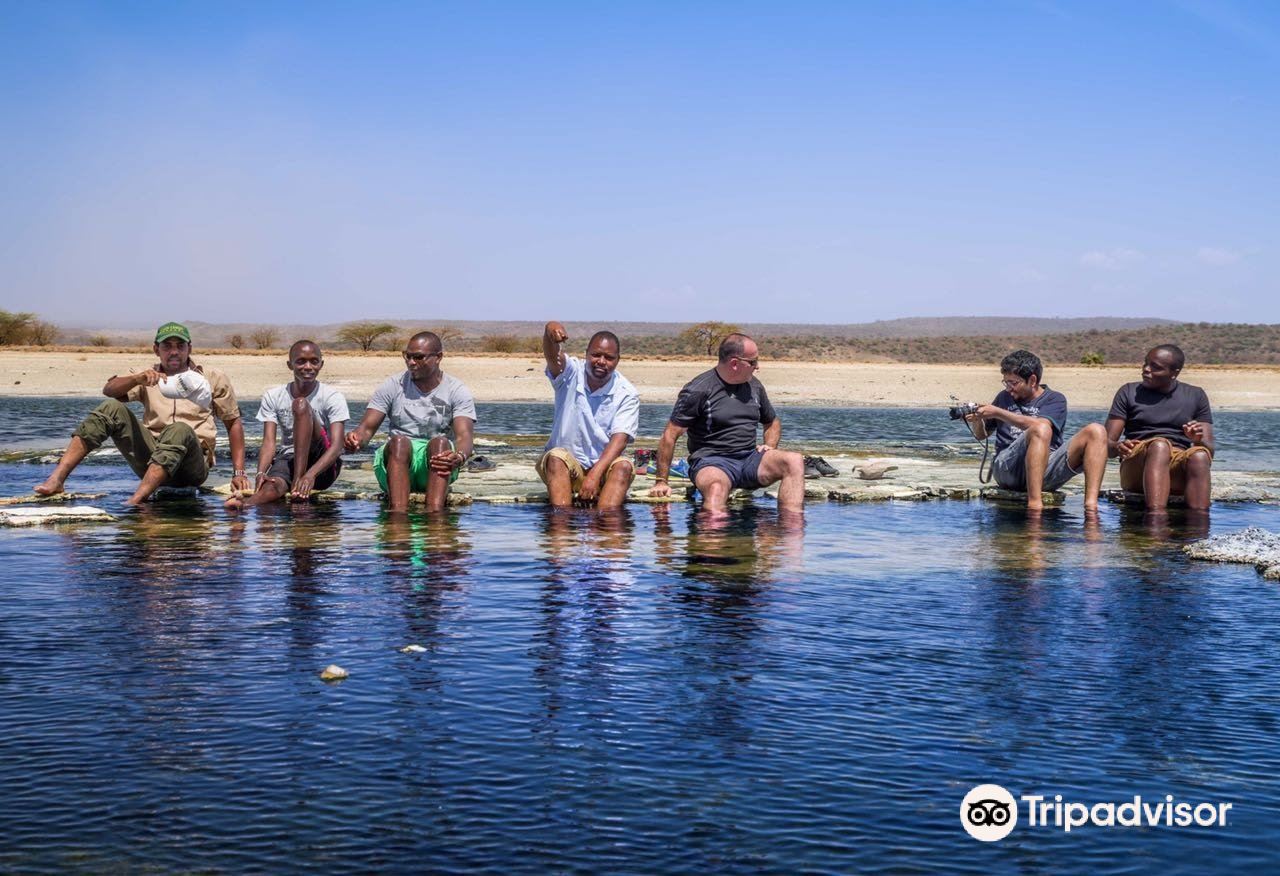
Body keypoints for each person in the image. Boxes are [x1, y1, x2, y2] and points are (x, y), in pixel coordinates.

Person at [34, 321, 249, 505]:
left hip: (191, 466)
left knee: (179, 429)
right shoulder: (148, 376)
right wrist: (136, 379)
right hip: (152, 458)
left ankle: (136, 501)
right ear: (156, 349)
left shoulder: (212, 377)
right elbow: (109, 390)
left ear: (189, 348)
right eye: (167, 346)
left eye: (180, 346)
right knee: (110, 408)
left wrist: (239, 473)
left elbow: (233, 423)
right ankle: (57, 480)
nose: (174, 351)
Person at [649, 333, 805, 514]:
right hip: (712, 462)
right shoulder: (699, 389)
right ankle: (715, 538)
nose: (757, 367)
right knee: (716, 488)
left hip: (749, 459)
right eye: (753, 362)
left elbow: (772, 421)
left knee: (794, 460)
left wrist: (769, 446)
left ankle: (791, 528)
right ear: (734, 363)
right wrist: (661, 481)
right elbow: (670, 435)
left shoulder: (754, 386)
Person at [344, 331, 476, 513]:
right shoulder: (393, 385)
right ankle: (397, 521)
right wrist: (355, 440)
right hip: (396, 463)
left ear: (438, 357)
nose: (411, 363)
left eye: (419, 357)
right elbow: (366, 429)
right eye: (407, 356)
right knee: (399, 442)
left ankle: (435, 519)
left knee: (440, 443)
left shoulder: (456, 390)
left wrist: (459, 457)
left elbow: (465, 436)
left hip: (437, 465)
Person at [965, 349, 1109, 511]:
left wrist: (999, 412)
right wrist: (977, 421)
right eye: (1005, 382)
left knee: (1096, 431)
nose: (1008, 389)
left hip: (1045, 470)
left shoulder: (1055, 399)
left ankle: (1091, 505)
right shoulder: (1003, 398)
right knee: (1039, 429)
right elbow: (981, 435)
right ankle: (1035, 505)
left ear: (1032, 380)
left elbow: (1041, 426)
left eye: (1013, 383)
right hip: (1008, 469)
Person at [226, 340, 350, 510]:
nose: (308, 366)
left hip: (322, 464)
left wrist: (309, 476)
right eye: (300, 361)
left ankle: (298, 481)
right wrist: (261, 473)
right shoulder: (274, 396)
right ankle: (243, 506)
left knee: (301, 405)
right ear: (290, 365)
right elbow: (269, 442)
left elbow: (337, 446)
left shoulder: (332, 397)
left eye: (314, 361)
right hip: (289, 459)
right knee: (271, 486)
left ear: (321, 364)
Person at [537, 321, 640, 509]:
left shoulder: (627, 393)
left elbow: (620, 440)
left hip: (603, 472)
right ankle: (561, 527)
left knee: (623, 466)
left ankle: (607, 526)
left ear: (618, 360)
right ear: (586, 354)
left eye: (609, 357)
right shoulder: (570, 373)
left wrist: (594, 476)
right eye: (596, 355)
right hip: (566, 469)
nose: (601, 361)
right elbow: (552, 355)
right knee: (556, 457)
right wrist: (549, 329)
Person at [1105, 344, 1213, 511]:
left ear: (1174, 373)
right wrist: (1119, 447)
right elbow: (1106, 445)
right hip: (1138, 465)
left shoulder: (1196, 395)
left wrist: (1198, 441)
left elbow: (1209, 452)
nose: (1146, 369)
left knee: (1199, 456)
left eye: (1156, 367)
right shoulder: (1128, 392)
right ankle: (1155, 520)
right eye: (1145, 363)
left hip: (1176, 465)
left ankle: (1199, 528)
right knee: (1159, 445)